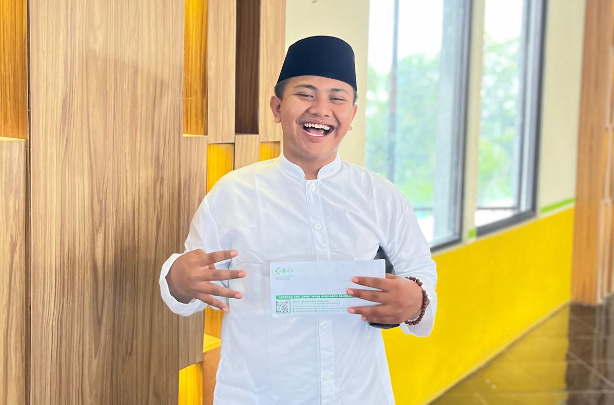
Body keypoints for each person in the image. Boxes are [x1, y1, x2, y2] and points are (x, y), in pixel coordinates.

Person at [160, 36, 437, 405]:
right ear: (277, 107)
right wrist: (177, 278)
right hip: (258, 395)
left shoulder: (380, 196)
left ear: (352, 116)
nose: (321, 109)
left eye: (337, 98)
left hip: (358, 392)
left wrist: (416, 300)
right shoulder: (233, 193)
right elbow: (190, 285)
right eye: (305, 94)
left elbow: (420, 271)